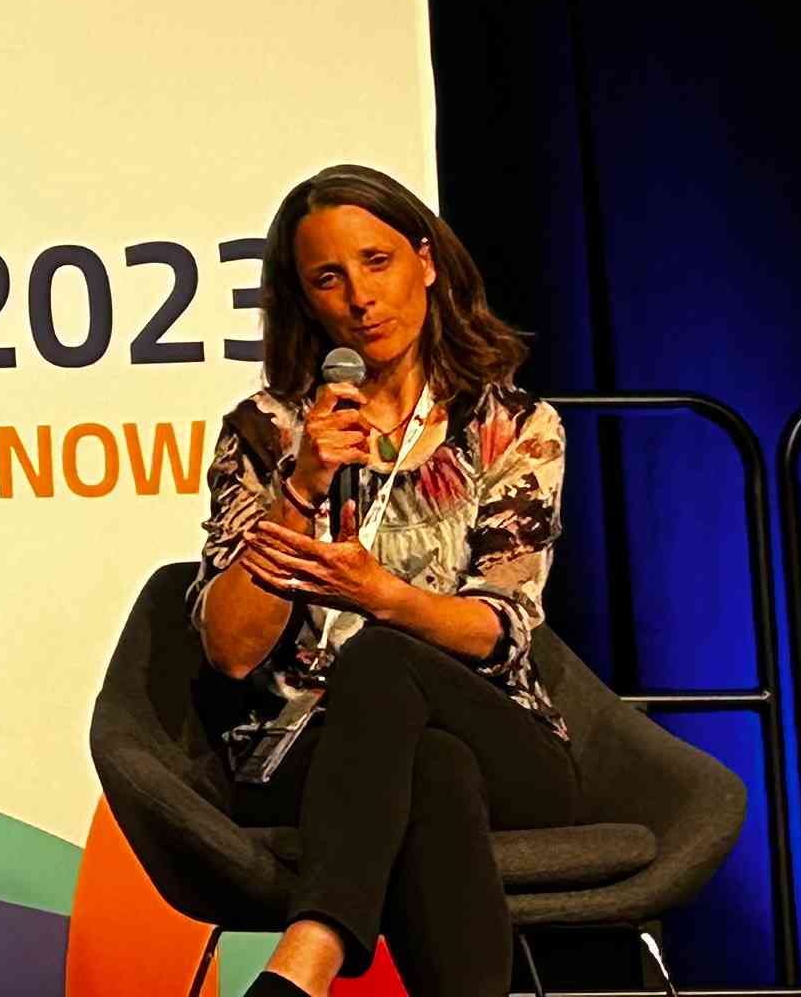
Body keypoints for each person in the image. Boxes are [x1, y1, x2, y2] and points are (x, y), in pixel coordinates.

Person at [193, 164, 575, 997]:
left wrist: (384, 599)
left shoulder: (512, 425)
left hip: (502, 735)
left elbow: (501, 629)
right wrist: (298, 489)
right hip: (309, 750)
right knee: (431, 772)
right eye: (328, 278)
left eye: (378, 262)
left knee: (382, 656)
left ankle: (304, 962)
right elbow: (228, 651)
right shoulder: (268, 433)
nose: (360, 297)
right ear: (305, 299)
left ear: (426, 262)